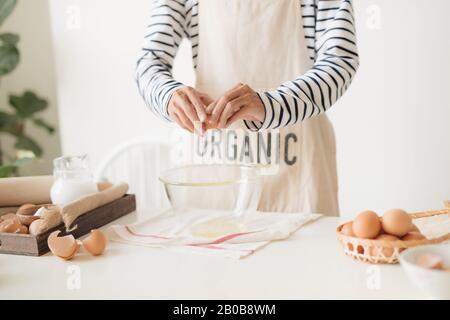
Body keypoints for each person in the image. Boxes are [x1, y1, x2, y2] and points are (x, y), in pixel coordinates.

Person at [136, 0, 359, 216]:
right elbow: (149, 61)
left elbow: (339, 61)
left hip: (299, 174)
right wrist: (168, 96)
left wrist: (270, 104)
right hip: (215, 174)